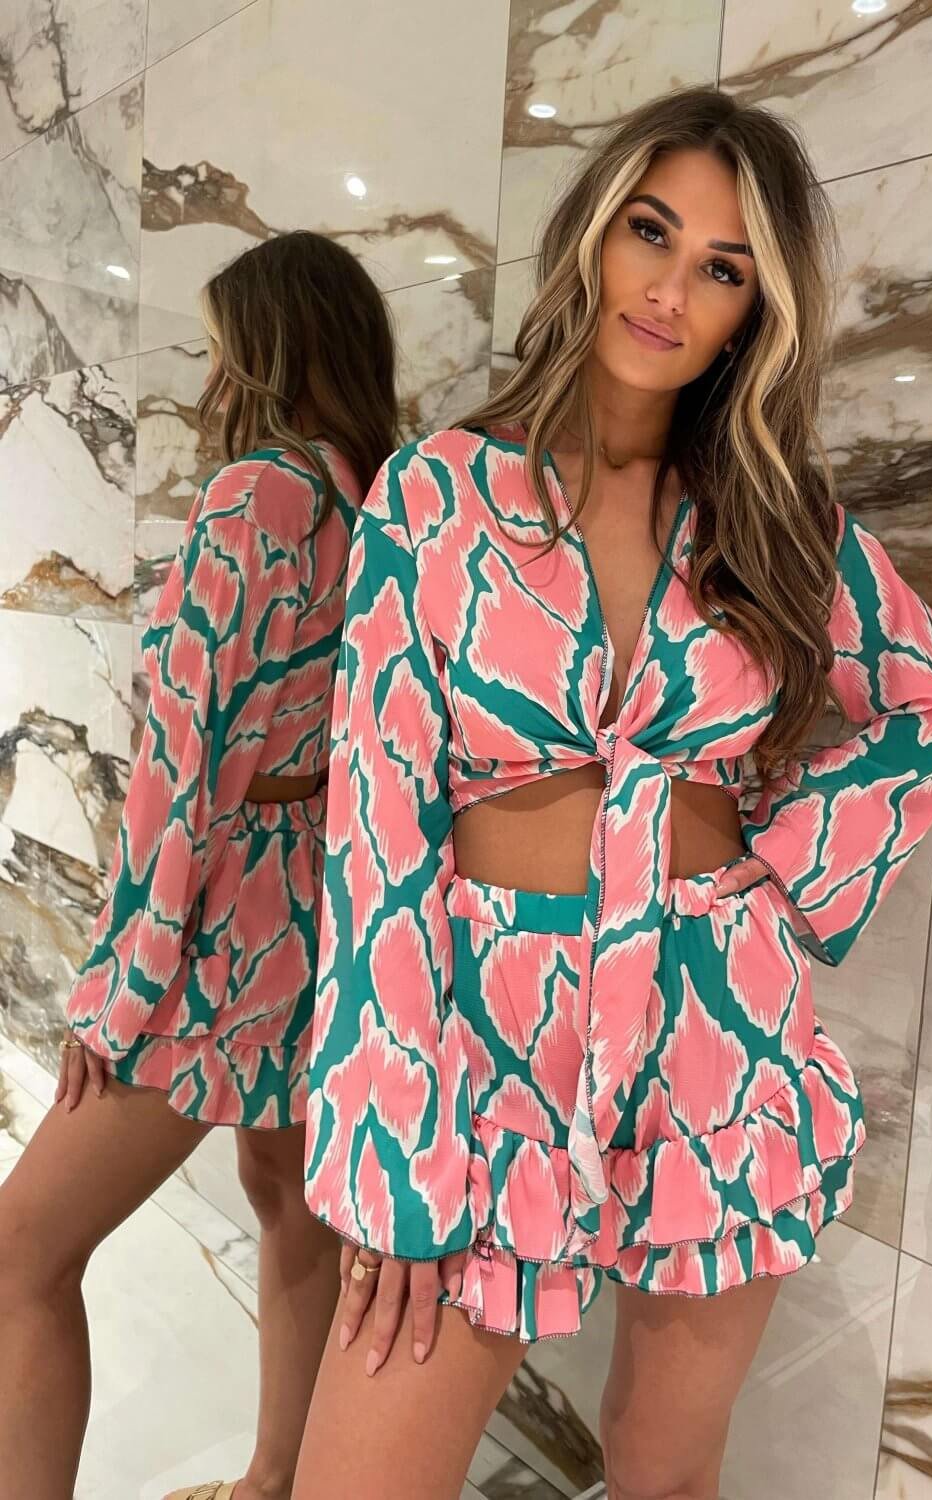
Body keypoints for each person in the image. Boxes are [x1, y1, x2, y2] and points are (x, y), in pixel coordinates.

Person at [293, 88, 932, 1500]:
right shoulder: (438, 494)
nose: (672, 290)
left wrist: (783, 883)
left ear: (752, 316)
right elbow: (377, 825)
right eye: (651, 232)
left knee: (667, 1472)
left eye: (723, 268)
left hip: (715, 1017)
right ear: (593, 236)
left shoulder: (771, 518)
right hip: (483, 1023)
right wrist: (389, 1142)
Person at [0, 231, 398, 1500]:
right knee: (287, 1194)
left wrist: (120, 988)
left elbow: (181, 766)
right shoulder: (375, 498)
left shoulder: (253, 497)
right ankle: (276, 1481)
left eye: (226, 346)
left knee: (19, 1255)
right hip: (315, 914)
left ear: (272, 347)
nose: (215, 372)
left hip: (215, 924)